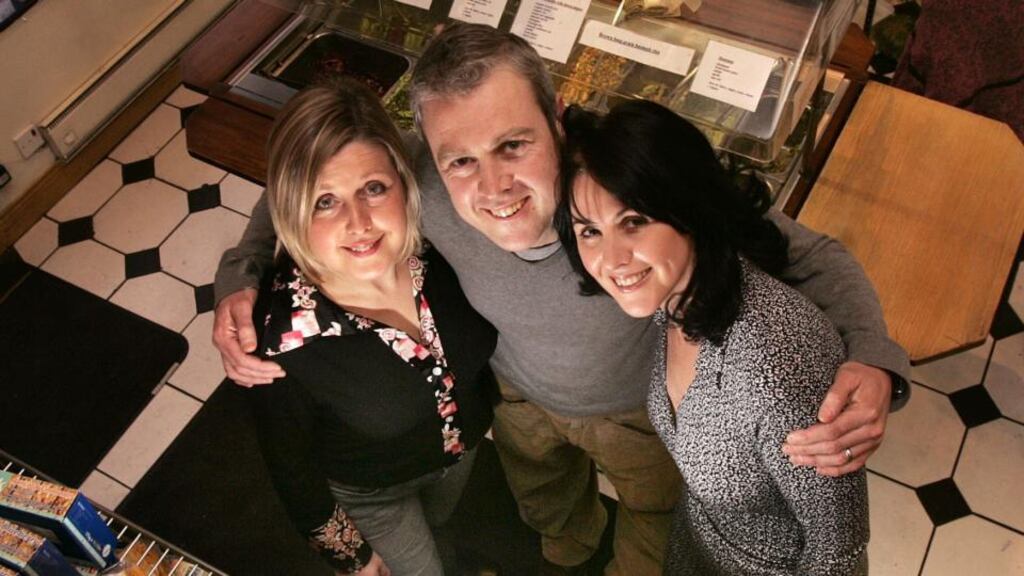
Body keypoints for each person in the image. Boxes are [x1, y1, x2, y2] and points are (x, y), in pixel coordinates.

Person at [213, 23, 908, 575]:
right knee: (548, 509)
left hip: (637, 410)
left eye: (514, 144)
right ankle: (567, 553)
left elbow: (812, 254)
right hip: (516, 402)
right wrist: (240, 280)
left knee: (653, 520)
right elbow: (303, 188)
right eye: (462, 160)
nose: (493, 187)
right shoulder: (410, 183)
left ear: (558, 118)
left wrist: (874, 358)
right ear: (427, 149)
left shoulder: (621, 180)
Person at [555, 100, 868, 575]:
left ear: (687, 207)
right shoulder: (673, 300)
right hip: (697, 546)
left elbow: (837, 555)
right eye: (590, 231)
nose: (611, 259)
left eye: (634, 221)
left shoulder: (775, 365)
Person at [245, 79, 497, 576]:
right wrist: (352, 556)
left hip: (461, 451)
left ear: (402, 181)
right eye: (325, 201)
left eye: (373, 188)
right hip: (373, 495)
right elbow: (292, 471)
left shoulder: (443, 251)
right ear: (291, 210)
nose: (359, 222)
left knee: (441, 530)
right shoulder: (280, 340)